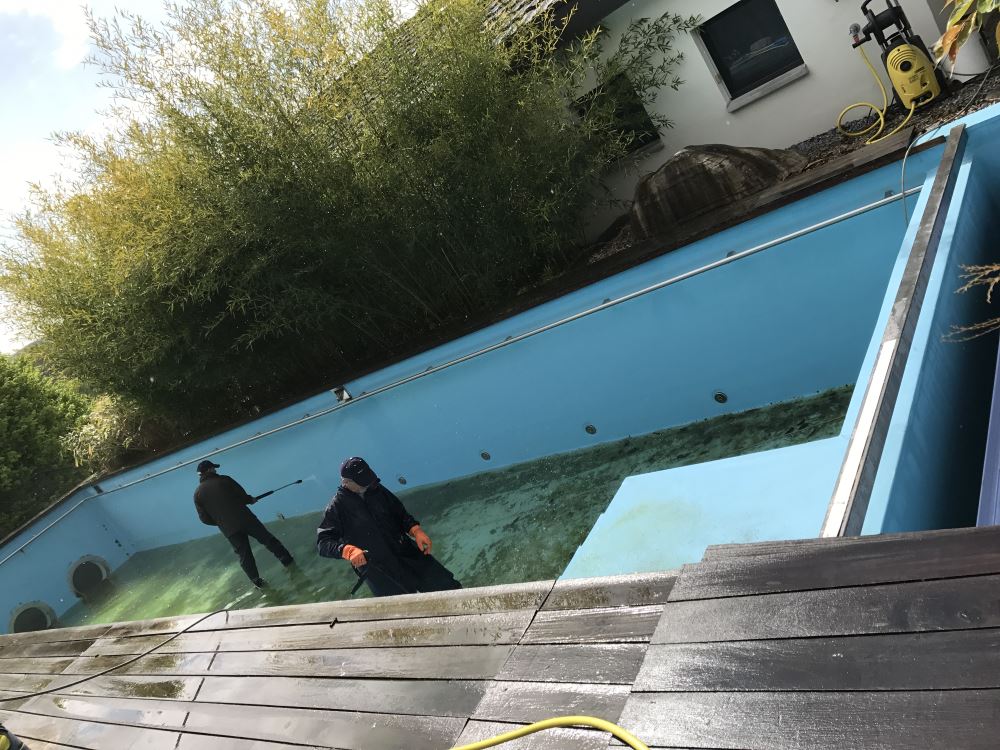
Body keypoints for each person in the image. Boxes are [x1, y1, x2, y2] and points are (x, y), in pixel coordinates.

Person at [317, 457, 462, 597]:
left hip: (404, 550)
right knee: (405, 609)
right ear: (346, 483)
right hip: (379, 569)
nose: (368, 484)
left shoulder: (376, 489)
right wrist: (348, 551)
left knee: (448, 586)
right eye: (362, 482)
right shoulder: (336, 507)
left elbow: (400, 513)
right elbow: (323, 543)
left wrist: (416, 530)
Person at [193, 460, 294, 588]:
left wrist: (221, 522)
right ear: (208, 470)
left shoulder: (197, 494)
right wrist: (250, 500)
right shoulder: (224, 480)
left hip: (228, 529)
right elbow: (241, 496)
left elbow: (204, 519)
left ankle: (257, 581)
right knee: (268, 540)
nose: (215, 470)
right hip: (246, 519)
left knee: (244, 555)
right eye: (213, 468)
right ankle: (288, 561)